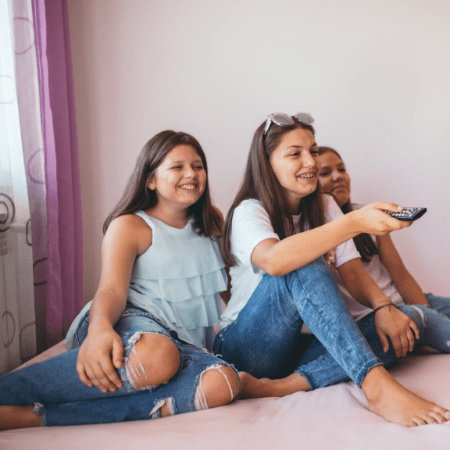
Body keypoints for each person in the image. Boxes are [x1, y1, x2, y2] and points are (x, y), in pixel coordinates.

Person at [213, 112, 450, 427]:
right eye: (295, 154)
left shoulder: (324, 206)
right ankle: (376, 386)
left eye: (312, 150)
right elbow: (275, 260)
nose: (310, 162)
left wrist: (383, 306)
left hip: (300, 348)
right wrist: (355, 221)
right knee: (303, 262)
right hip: (248, 347)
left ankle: (285, 386)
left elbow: (353, 273)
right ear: (267, 162)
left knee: (406, 321)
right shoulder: (249, 211)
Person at [0, 130, 241, 430]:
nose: (191, 174)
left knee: (223, 383)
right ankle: (7, 391)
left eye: (198, 166)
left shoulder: (212, 222)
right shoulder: (130, 225)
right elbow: (112, 290)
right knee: (159, 355)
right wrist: (99, 330)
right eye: (177, 167)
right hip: (126, 321)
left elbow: (226, 290)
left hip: (183, 343)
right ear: (150, 180)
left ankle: (31, 417)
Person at [317, 145, 450, 325]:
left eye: (342, 169)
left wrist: (427, 315)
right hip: (372, 316)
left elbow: (400, 275)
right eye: (324, 173)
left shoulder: (370, 215)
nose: (338, 176)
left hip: (402, 301)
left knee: (435, 315)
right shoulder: (316, 234)